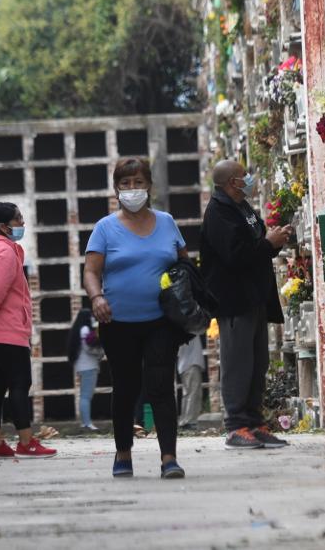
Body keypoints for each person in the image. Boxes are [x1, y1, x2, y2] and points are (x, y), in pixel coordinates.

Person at [83, 157, 189, 479]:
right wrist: (96, 297)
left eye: (138, 182)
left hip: (161, 320)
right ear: (117, 189)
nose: (132, 189)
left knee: (160, 386)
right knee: (126, 387)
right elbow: (90, 270)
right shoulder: (105, 228)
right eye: (126, 184)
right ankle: (123, 453)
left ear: (149, 187)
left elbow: (184, 265)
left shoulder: (168, 222)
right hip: (118, 323)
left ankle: (169, 458)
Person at [200, 160, 292, 450]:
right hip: (234, 300)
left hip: (254, 298)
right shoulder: (218, 213)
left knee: (257, 363)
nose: (248, 178)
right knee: (237, 364)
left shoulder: (241, 207)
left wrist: (274, 241)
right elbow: (236, 255)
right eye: (243, 175)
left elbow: (255, 241)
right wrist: (268, 244)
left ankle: (254, 422)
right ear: (231, 183)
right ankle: (236, 425)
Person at [0, 202, 56, 459]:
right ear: (4, 226)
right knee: (19, 383)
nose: (22, 224)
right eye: (18, 220)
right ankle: (26, 442)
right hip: (6, 331)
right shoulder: (4, 252)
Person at [68, 309, 104, 431]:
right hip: (89, 366)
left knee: (84, 395)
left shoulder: (79, 329)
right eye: (91, 317)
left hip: (83, 366)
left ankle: (85, 422)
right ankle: (87, 423)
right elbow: (89, 348)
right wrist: (101, 352)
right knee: (86, 396)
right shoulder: (85, 330)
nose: (93, 319)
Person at [177, 335, 205, 430]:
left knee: (188, 393)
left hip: (186, 365)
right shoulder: (190, 328)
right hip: (190, 364)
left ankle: (185, 420)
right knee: (192, 393)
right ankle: (189, 421)